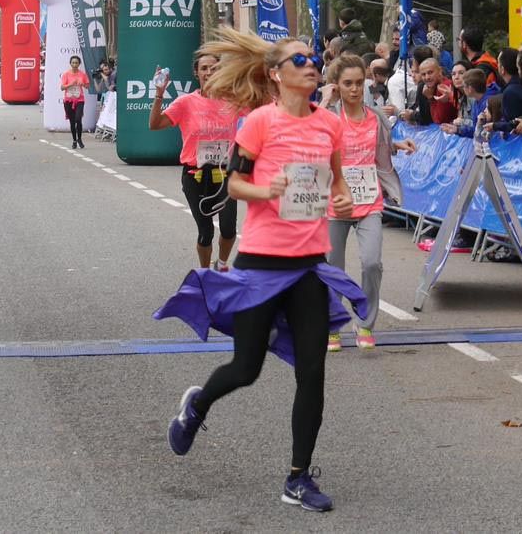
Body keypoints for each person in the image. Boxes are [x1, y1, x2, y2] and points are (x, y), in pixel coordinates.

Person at [155, 27, 367, 513]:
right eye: (299, 61)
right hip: (262, 264)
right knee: (246, 368)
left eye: (313, 60)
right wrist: (266, 192)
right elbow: (233, 185)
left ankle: (298, 478)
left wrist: (342, 196)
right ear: (276, 74)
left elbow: (337, 184)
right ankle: (198, 405)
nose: (311, 66)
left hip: (310, 267)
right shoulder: (258, 124)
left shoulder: (329, 125)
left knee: (313, 372)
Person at [323, 54, 415, 352]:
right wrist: (324, 101)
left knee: (372, 263)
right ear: (336, 85)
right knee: (332, 268)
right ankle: (332, 324)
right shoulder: (328, 116)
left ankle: (364, 323)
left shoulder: (375, 116)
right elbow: (308, 139)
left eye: (358, 83)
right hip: (335, 203)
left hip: (369, 201)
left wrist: (397, 146)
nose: (353, 89)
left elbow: (381, 150)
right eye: (347, 83)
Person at [148, 50, 240, 271]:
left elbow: (264, 108)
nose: (210, 72)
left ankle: (223, 265)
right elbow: (155, 124)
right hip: (195, 175)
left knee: (228, 229)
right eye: (204, 68)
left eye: (214, 68)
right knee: (206, 231)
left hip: (225, 173)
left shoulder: (234, 101)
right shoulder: (186, 102)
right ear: (196, 73)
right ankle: (205, 272)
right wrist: (159, 94)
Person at [60, 55, 89, 149]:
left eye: (76, 63)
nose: (74, 64)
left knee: (78, 119)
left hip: (79, 100)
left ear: (79, 64)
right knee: (72, 122)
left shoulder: (82, 74)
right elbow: (62, 88)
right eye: (73, 63)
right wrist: (70, 84)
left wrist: (83, 84)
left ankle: (79, 138)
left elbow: (88, 86)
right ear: (70, 63)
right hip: (68, 100)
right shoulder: (66, 74)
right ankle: (74, 140)